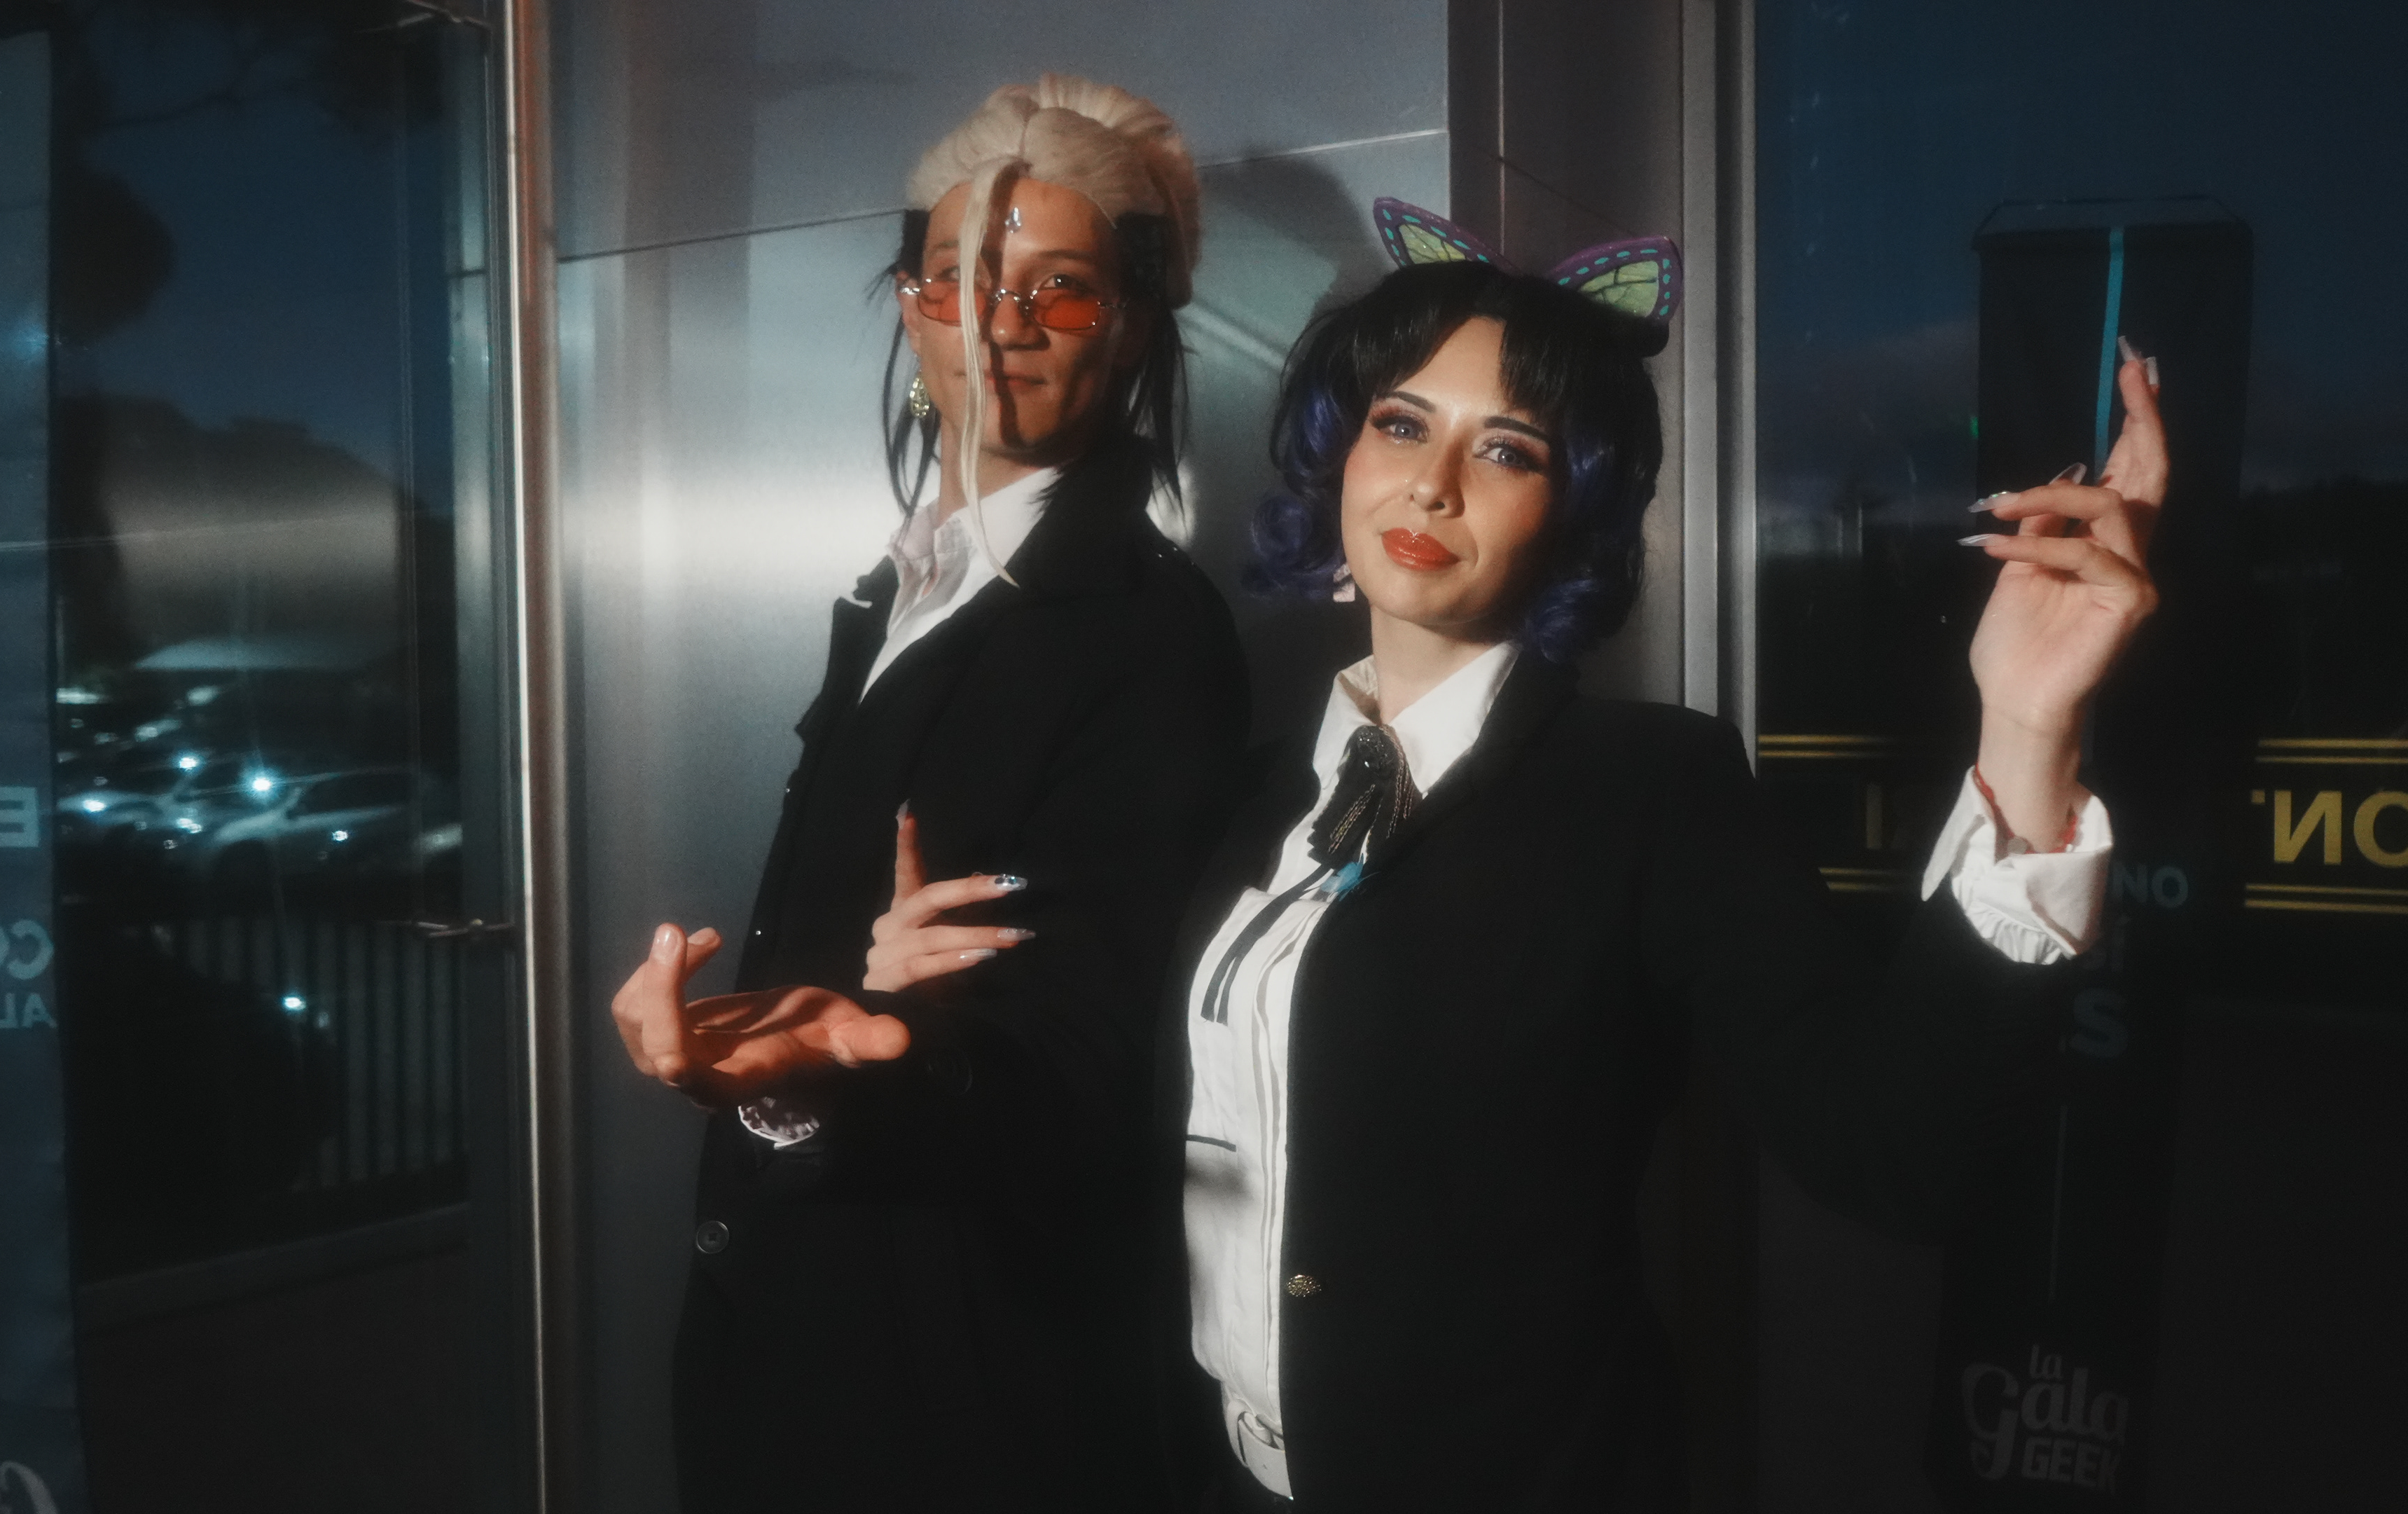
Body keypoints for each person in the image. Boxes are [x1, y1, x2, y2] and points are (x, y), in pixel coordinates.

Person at [903, 238, 2164, 1506]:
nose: (1434, 483)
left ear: (1573, 513)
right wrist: (919, 1033)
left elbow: (1899, 1153)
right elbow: (1105, 1119)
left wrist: (2029, 729)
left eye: (1508, 450)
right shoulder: (1236, 800)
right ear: (1341, 455)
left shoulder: (1655, 788)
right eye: (1402, 424)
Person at [606, 76, 1247, 1513]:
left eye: (1057, 289)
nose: (998, 324)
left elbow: (1091, 1071)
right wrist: (779, 1060)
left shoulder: (1148, 629)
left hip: (963, 1372)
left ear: (1134, 325)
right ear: (910, 313)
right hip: (788, 1317)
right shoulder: (900, 589)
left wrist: (853, 1060)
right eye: (955, 281)